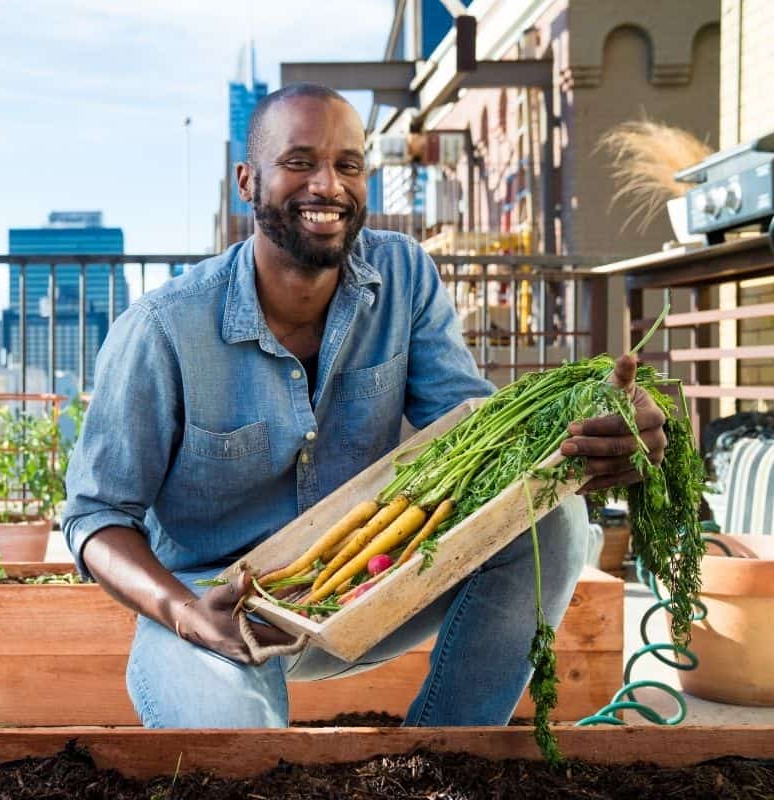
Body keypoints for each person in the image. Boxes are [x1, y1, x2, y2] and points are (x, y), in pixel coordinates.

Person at [61, 83, 667, 728]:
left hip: (380, 581)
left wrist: (588, 439)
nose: (328, 185)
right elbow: (96, 515)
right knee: (231, 754)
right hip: (219, 611)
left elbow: (470, 431)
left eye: (348, 165)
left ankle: (446, 758)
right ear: (247, 180)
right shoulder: (163, 328)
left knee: (556, 521)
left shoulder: (403, 274)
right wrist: (181, 611)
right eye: (299, 162)